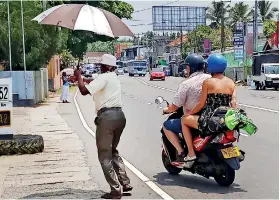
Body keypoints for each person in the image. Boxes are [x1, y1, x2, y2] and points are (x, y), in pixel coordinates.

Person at [74, 54, 132, 199]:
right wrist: (84, 80)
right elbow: (95, 83)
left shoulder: (104, 77)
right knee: (113, 151)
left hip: (107, 118)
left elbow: (83, 91)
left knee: (104, 155)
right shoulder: (113, 78)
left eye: (103, 65)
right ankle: (124, 182)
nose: (101, 67)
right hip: (120, 117)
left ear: (108, 67)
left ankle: (115, 189)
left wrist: (79, 76)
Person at [181, 54, 237, 163]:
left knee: (184, 120)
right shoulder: (231, 83)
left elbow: (201, 104)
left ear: (210, 67)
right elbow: (234, 103)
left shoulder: (208, 82)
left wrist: (190, 113)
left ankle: (191, 154)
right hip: (225, 118)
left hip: (210, 118)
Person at [162, 54, 211, 163]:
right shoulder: (211, 79)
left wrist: (166, 110)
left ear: (191, 68)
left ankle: (182, 152)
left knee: (166, 125)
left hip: (194, 118)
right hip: (211, 117)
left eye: (187, 67)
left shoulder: (186, 84)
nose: (186, 70)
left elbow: (175, 106)